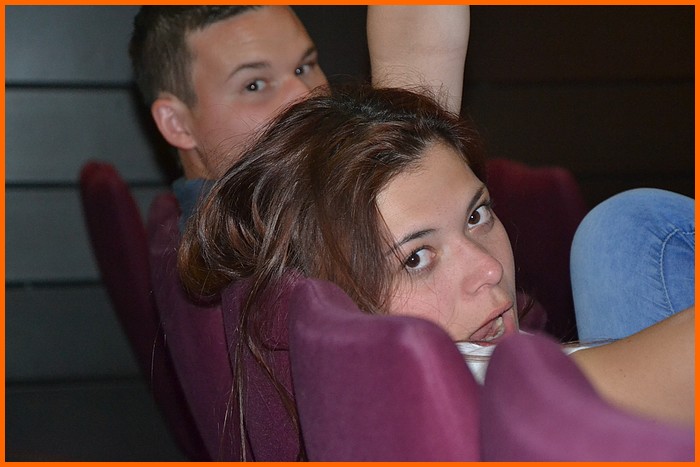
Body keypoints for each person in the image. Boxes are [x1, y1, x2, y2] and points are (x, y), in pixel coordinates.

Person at [177, 87, 693, 455]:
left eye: (477, 215)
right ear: (343, 294)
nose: (489, 268)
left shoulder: (362, 367)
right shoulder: (460, 380)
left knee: (625, 226)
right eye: (416, 258)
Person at [129, 5, 471, 231]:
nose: (304, 95)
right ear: (176, 123)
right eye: (254, 84)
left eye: (304, 67)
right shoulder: (266, 265)